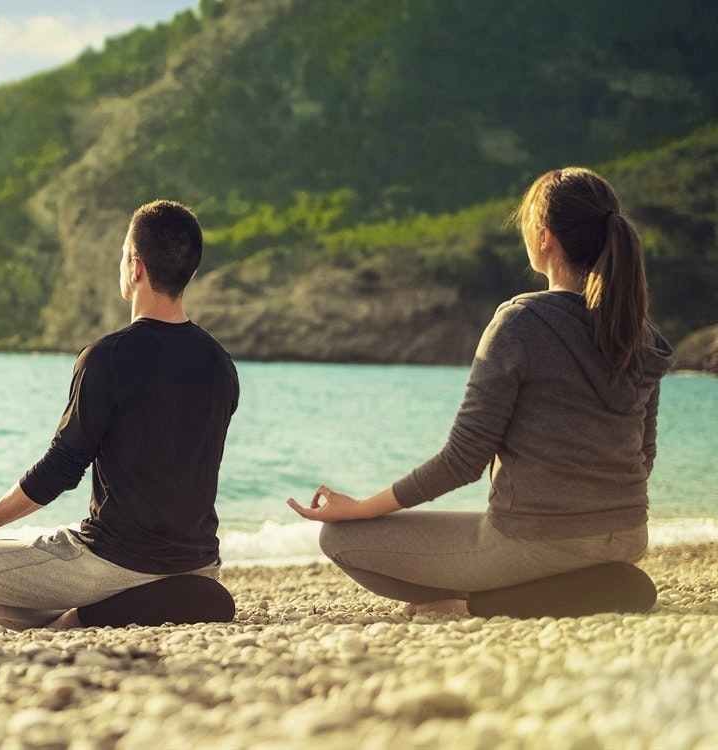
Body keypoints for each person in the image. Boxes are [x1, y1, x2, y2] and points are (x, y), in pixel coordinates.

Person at [287, 167, 672, 617]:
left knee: (340, 538)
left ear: (545, 237)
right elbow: (642, 457)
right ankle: (581, 586)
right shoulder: (638, 331)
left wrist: (361, 508)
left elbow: (463, 460)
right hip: (626, 537)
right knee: (570, 556)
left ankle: (475, 604)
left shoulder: (521, 323)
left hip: (532, 543)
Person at [0, 200, 239, 630]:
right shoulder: (220, 363)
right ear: (189, 273)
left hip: (111, 562)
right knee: (19, 549)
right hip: (198, 563)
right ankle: (144, 603)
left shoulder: (108, 357)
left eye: (122, 254)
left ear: (134, 267)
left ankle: (84, 619)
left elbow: (61, 468)